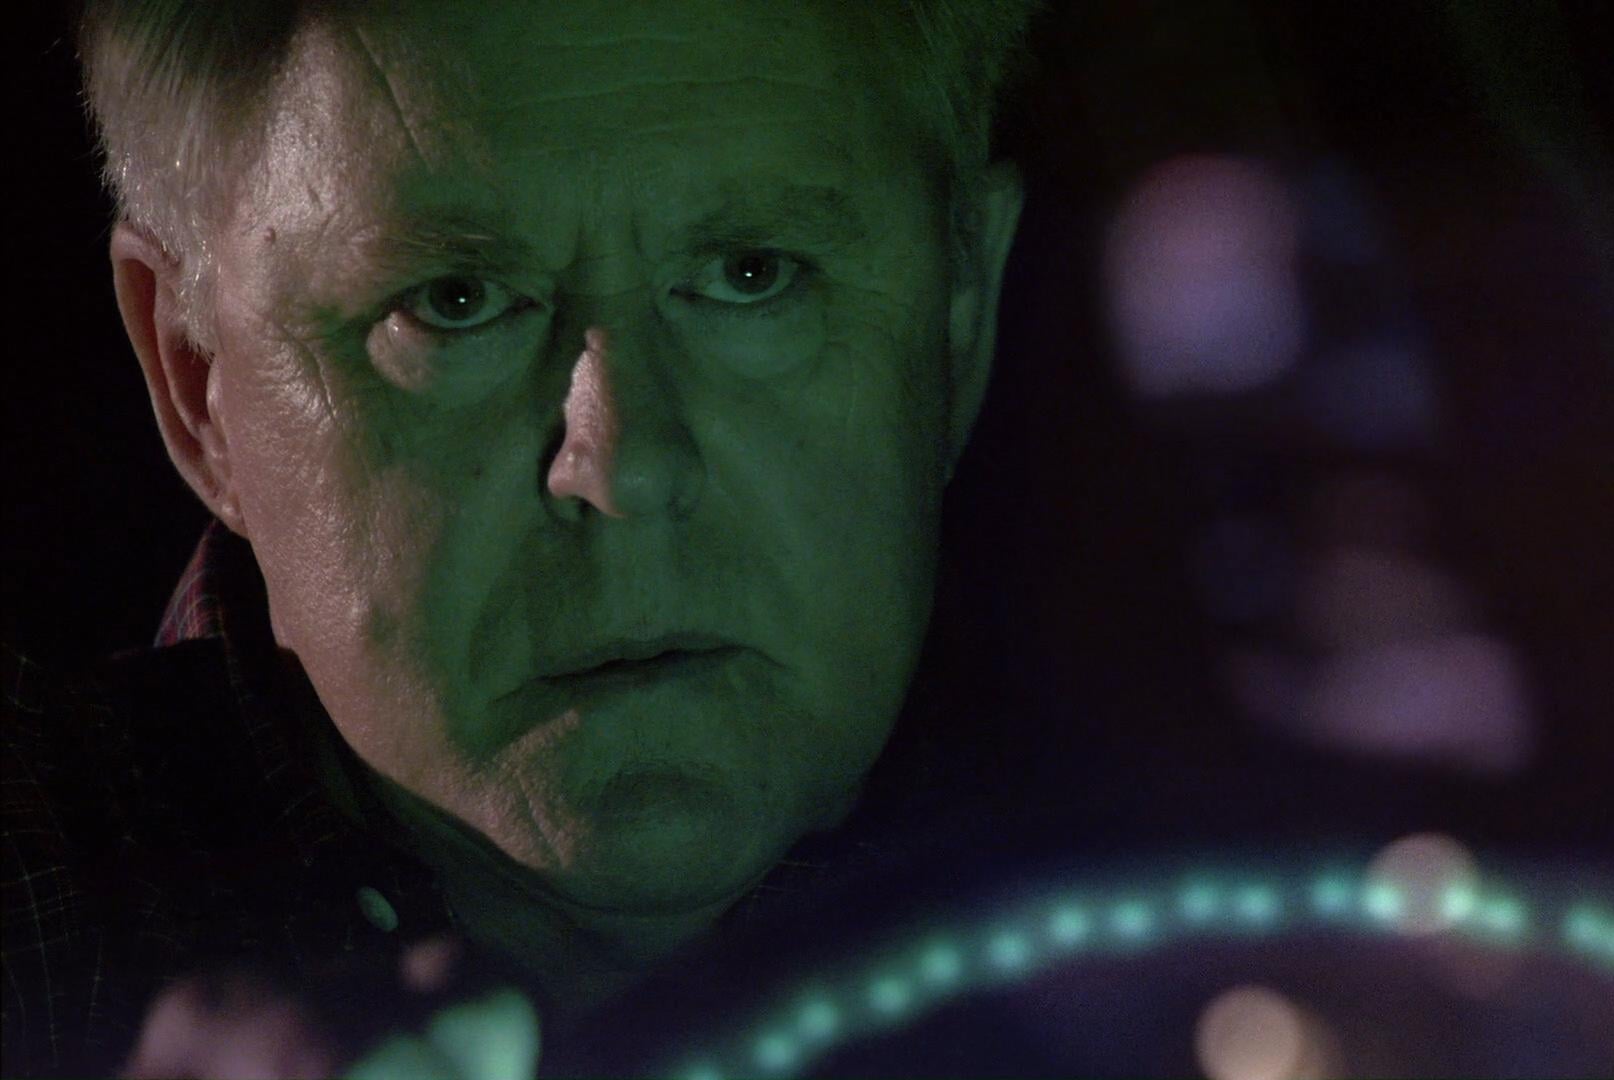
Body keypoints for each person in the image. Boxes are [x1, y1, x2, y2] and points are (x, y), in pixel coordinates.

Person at [3, 0, 1036, 1074]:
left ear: (958, 317)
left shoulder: (1133, 880)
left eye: (753, 273)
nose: (627, 468)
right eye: (455, 301)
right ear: (197, 384)